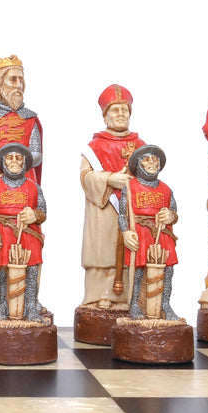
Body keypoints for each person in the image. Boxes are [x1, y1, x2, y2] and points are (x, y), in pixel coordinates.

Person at [0, 55, 42, 308]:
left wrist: (20, 160)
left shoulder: (30, 119)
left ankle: (28, 293)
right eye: (13, 79)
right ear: (0, 84)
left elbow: (37, 153)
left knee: (27, 234)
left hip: (25, 185)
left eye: (21, 79)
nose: (18, 85)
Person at [80, 84, 146, 309]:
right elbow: (85, 177)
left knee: (133, 249)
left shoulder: (140, 146)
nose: (120, 115)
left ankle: (130, 298)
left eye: (124, 110)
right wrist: (108, 179)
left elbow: (151, 174)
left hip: (132, 210)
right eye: (115, 111)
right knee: (103, 250)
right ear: (105, 116)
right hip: (105, 208)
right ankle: (100, 296)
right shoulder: (94, 147)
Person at [0, 143, 46, 322]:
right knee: (3, 272)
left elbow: (43, 212)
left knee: (32, 271)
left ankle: (31, 308)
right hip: (4, 233)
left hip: (28, 233)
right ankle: (2, 306)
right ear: (3, 162)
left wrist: (34, 215)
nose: (14, 161)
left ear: (25, 162)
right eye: (10, 158)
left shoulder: (34, 187)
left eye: (18, 158)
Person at [118, 145, 179, 320]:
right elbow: (122, 215)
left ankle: (165, 305)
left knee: (168, 269)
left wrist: (171, 216)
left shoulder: (166, 189)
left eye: (155, 160)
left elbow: (174, 213)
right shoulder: (129, 187)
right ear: (138, 164)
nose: (152, 163)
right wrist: (126, 232)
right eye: (146, 159)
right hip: (140, 232)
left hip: (162, 233)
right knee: (137, 271)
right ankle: (134, 304)